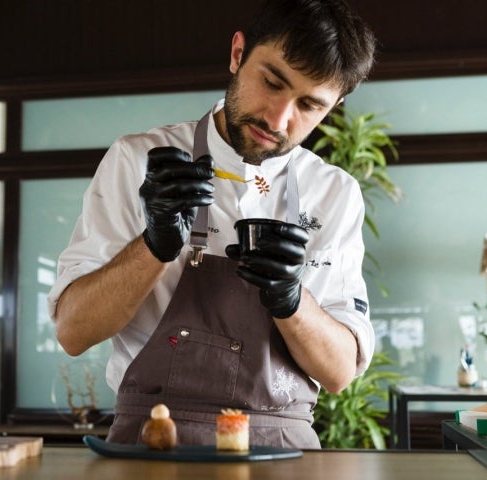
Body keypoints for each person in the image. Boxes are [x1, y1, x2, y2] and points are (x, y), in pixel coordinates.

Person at [48, 0, 376, 449]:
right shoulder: (136, 161)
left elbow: (339, 373)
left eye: (308, 105)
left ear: (334, 106)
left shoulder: (335, 193)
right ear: (238, 53)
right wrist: (155, 245)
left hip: (282, 449)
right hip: (150, 443)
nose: (278, 120)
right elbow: (72, 333)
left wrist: (291, 299)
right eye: (272, 82)